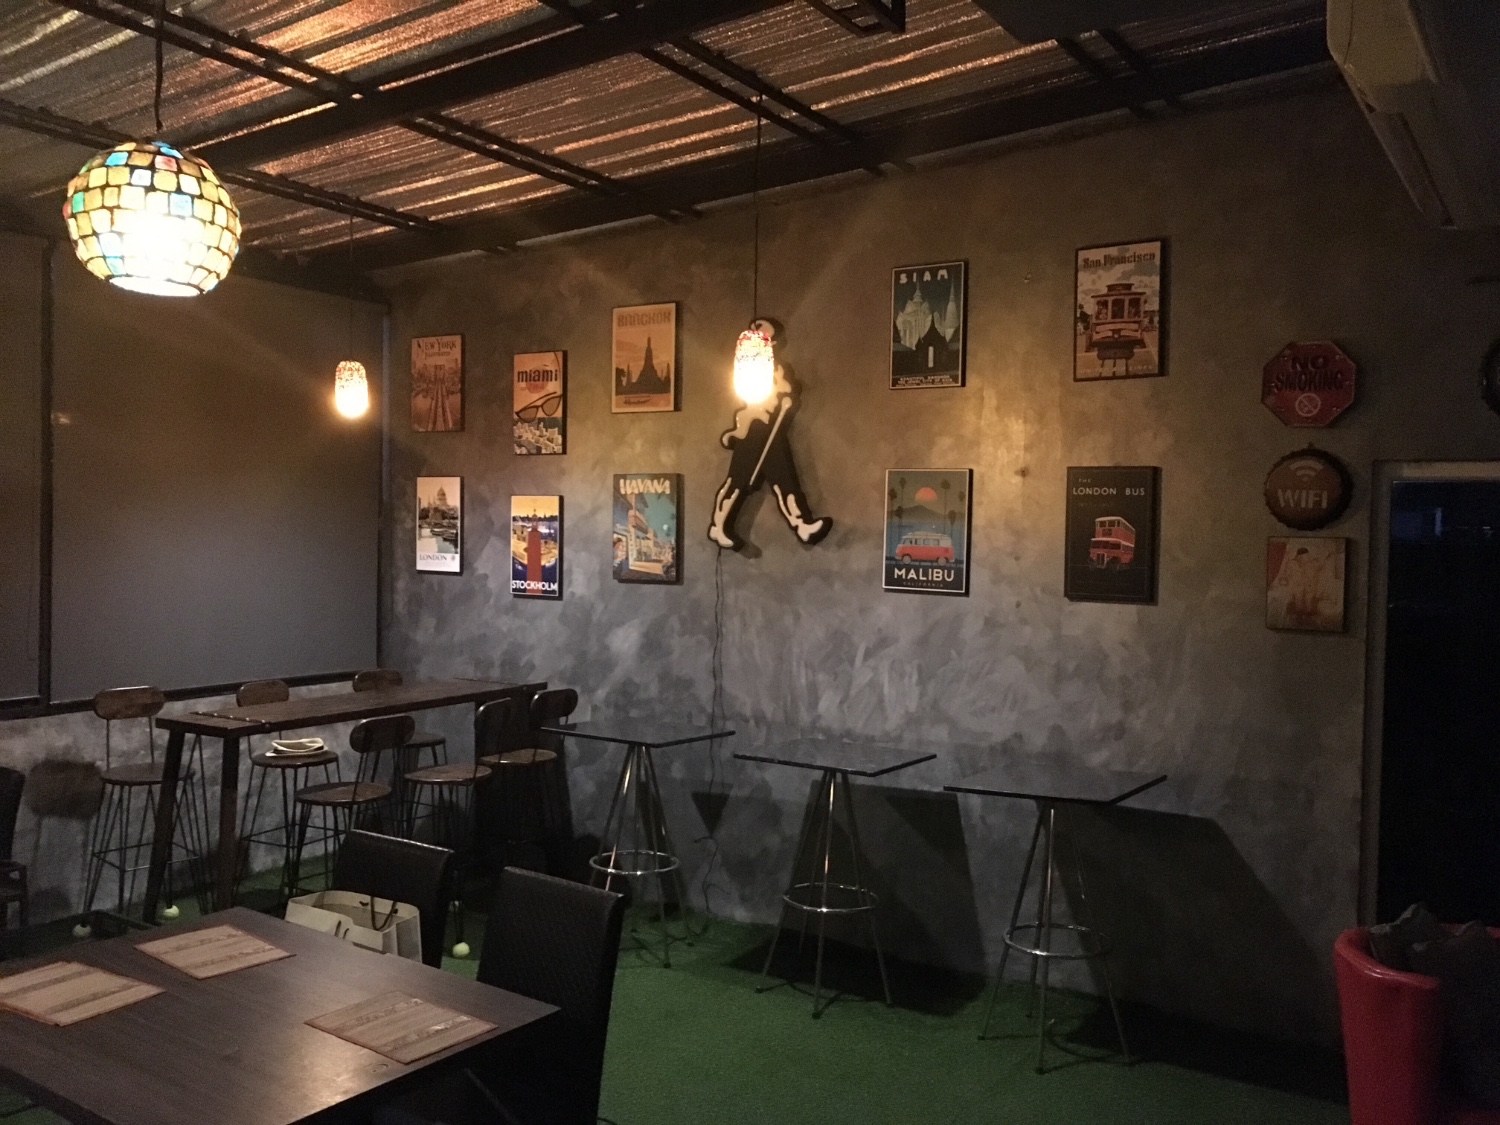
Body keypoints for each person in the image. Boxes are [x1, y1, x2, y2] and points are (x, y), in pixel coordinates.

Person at [707, 322, 831, 551]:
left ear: (772, 343)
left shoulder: (777, 368)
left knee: (785, 480)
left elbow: (787, 390)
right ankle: (719, 525)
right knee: (739, 480)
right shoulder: (745, 367)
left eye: (764, 338)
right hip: (751, 427)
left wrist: (788, 396)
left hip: (770, 427)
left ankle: (801, 524)